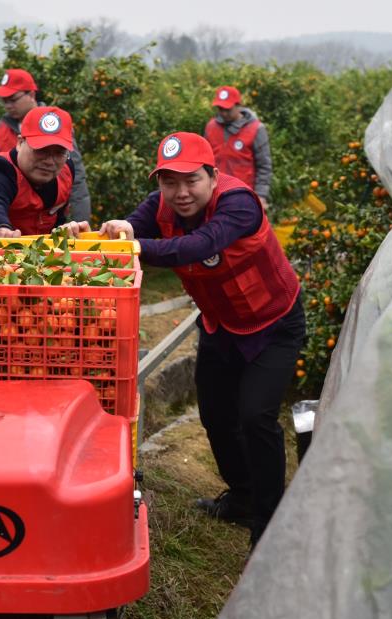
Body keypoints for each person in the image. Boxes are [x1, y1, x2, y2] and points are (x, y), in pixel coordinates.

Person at [99, 132, 304, 549]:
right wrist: (117, 230)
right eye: (169, 182)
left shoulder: (239, 204)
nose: (181, 192)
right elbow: (133, 228)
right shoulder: (161, 205)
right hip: (220, 324)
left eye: (191, 180)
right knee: (216, 415)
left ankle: (270, 526)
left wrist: (136, 245)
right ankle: (243, 497)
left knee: (256, 417)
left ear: (212, 175)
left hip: (273, 323)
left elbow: (199, 245)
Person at [0, 68, 91, 222]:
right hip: (8, 217)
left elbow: (76, 178)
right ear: (20, 142)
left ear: (31, 95)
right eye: (4, 101)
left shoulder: (57, 125)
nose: (8, 106)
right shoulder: (2, 127)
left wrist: (80, 221)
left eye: (13, 99)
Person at [0, 106, 78, 237]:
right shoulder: (0, 169)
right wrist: (1, 229)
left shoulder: (66, 171)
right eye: (41, 150)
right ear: (20, 143)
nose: (49, 161)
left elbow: (59, 218)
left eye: (59, 153)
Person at [202, 85, 272, 211]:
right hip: (215, 194)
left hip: (243, 194)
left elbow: (264, 166)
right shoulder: (211, 127)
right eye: (220, 109)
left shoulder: (256, 129)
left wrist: (261, 195)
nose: (224, 113)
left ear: (239, 105)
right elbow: (204, 162)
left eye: (228, 109)